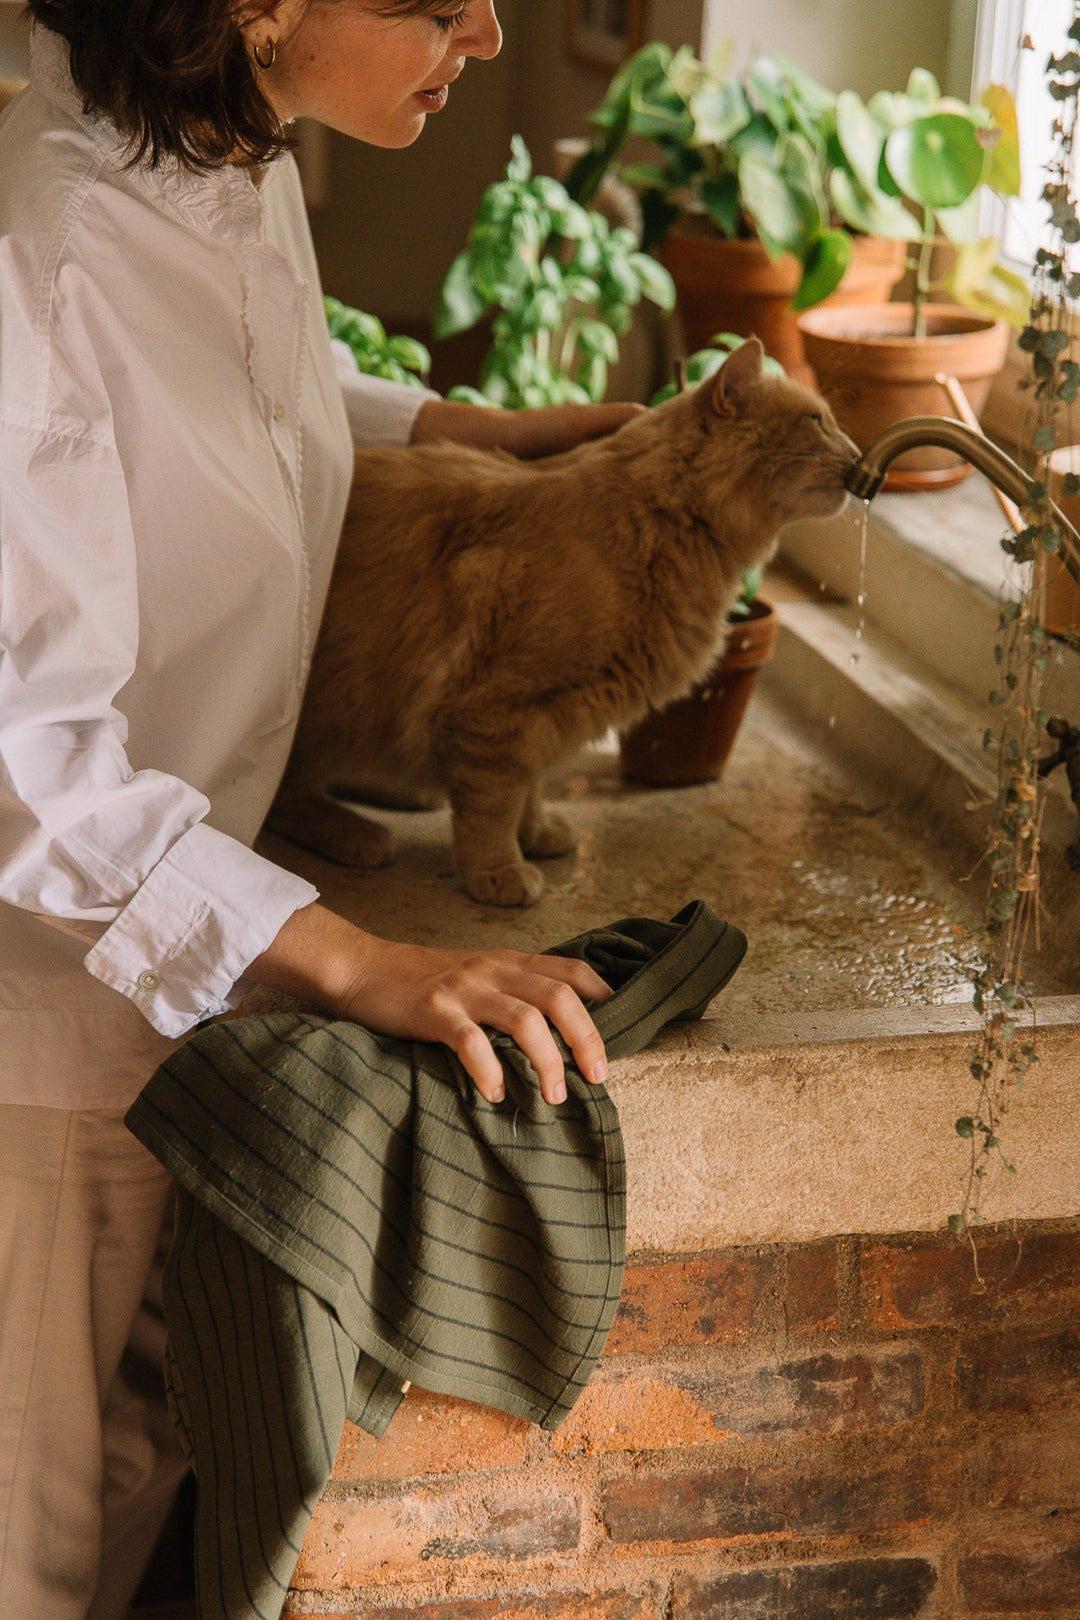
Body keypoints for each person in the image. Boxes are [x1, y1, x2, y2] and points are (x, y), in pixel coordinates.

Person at [0, 3, 642, 1613]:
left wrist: (462, 432)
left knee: (141, 1482)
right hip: (41, 1026)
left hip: (179, 976)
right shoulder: (35, 254)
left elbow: (240, 382)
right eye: (433, 1)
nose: (486, 30)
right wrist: (357, 959)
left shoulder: (231, 158)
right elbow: (26, 762)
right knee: (35, 1541)